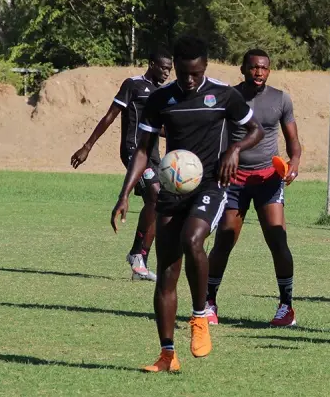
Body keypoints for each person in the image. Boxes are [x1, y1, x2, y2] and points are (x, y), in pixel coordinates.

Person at [111, 36, 262, 373]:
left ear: (205, 66)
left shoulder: (225, 95)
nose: (189, 80)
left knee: (193, 239)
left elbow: (255, 130)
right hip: (172, 188)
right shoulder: (161, 99)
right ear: (175, 67)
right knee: (166, 271)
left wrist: (234, 151)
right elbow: (141, 149)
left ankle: (199, 316)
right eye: (183, 73)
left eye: (195, 73)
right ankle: (167, 355)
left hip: (210, 184)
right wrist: (124, 194)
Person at [205, 49, 302, 327]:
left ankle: (286, 307)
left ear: (269, 71)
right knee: (224, 238)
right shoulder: (229, 97)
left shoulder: (280, 99)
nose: (259, 72)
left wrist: (293, 162)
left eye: (264, 68)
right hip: (234, 180)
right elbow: (216, 134)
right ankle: (209, 302)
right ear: (243, 69)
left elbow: (293, 141)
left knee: (277, 239)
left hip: (268, 180)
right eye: (253, 67)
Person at [71, 51, 173, 281]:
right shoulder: (133, 85)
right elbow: (110, 116)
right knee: (155, 194)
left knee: (159, 202)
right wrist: (87, 146)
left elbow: (161, 128)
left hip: (154, 153)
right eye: (164, 67)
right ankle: (137, 255)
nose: (167, 72)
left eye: (170, 69)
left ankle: (139, 258)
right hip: (133, 150)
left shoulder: (164, 93)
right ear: (152, 64)